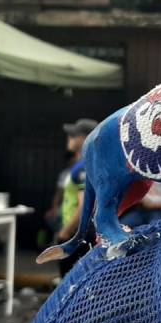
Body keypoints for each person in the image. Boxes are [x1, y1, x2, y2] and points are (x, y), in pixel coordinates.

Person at [55, 118, 98, 277]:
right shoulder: (87, 163)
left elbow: (84, 205)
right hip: (80, 232)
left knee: (69, 283)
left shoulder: (84, 166)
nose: (69, 139)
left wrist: (66, 232)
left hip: (77, 233)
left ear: (84, 138)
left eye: (73, 135)